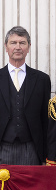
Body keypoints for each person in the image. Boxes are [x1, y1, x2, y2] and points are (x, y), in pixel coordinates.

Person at [0, 26, 51, 165]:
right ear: (6, 47)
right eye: (13, 43)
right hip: (2, 147)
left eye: (22, 43)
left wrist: (47, 155)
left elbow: (45, 119)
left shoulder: (42, 79)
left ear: (28, 47)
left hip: (32, 149)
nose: (18, 47)